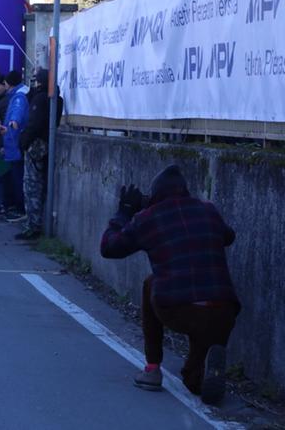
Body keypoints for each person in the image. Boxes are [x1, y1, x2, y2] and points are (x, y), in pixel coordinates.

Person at [100, 166, 240, 405]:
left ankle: (152, 368)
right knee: (194, 380)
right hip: (223, 309)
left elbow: (109, 248)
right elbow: (228, 237)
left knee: (151, 283)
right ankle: (206, 363)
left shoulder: (147, 219)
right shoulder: (207, 210)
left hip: (178, 308)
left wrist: (123, 214)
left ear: (154, 196)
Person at [15, 68, 60, 240]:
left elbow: (33, 124)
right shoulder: (55, 99)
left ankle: (33, 226)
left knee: (32, 186)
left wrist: (23, 142)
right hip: (47, 145)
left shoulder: (40, 99)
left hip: (36, 146)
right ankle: (36, 224)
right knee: (40, 186)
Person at [1, 70, 29, 219]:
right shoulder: (21, 93)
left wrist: (13, 123)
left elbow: (17, 112)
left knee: (18, 178)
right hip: (14, 144)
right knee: (16, 177)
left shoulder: (19, 96)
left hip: (15, 144)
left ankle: (20, 209)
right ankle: (19, 206)